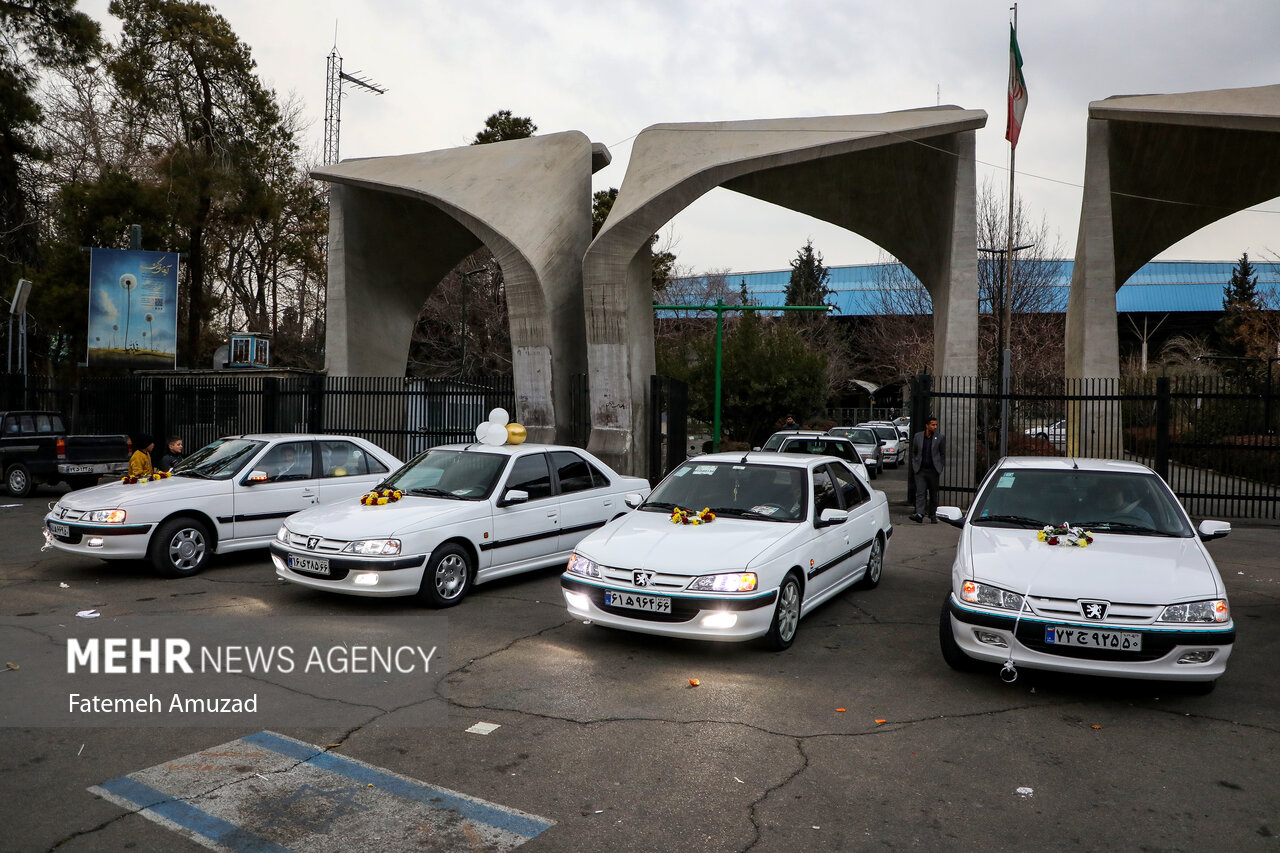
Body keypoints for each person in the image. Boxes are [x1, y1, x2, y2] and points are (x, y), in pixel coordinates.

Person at [909, 416, 945, 523]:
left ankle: (932, 514)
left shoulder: (940, 438)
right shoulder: (918, 436)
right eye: (933, 424)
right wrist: (915, 464)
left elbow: (942, 453)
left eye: (936, 425)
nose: (935, 427)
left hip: (933, 470)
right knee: (920, 492)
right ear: (927, 425)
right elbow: (914, 451)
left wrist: (940, 466)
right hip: (921, 470)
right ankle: (920, 513)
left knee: (933, 493)